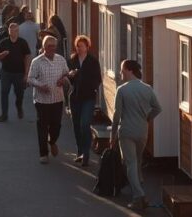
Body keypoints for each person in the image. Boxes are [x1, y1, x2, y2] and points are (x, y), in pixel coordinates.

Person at [109, 59, 162, 211]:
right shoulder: (147, 88)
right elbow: (158, 108)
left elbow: (117, 115)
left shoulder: (122, 90)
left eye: (122, 70)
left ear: (129, 70)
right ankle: (139, 185)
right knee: (138, 161)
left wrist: (113, 135)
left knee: (130, 163)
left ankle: (138, 196)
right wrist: (147, 118)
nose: (121, 73)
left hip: (126, 131)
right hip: (142, 131)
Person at [27, 35, 69, 164]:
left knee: (56, 125)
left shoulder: (60, 60)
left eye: (54, 46)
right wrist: (40, 86)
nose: (52, 48)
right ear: (44, 47)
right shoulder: (37, 61)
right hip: (41, 100)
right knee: (43, 126)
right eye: (49, 46)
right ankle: (43, 153)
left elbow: (66, 73)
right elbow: (30, 78)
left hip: (57, 98)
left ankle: (52, 141)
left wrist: (63, 80)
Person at [67, 35, 102, 166]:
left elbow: (97, 79)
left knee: (85, 124)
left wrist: (90, 85)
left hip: (88, 97)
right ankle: (80, 151)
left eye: (81, 46)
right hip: (75, 97)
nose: (79, 48)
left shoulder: (92, 61)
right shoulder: (72, 60)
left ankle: (86, 153)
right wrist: (70, 76)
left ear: (87, 47)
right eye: (77, 46)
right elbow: (68, 78)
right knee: (76, 125)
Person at [0, 22, 31, 121]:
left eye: (15, 30)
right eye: (11, 30)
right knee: (4, 92)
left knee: (19, 93)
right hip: (6, 72)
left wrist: (26, 73)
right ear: (9, 32)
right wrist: (2, 54)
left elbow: (27, 57)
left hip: (19, 73)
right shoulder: (4, 42)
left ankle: (19, 107)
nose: (13, 32)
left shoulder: (22, 42)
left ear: (18, 32)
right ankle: (4, 115)